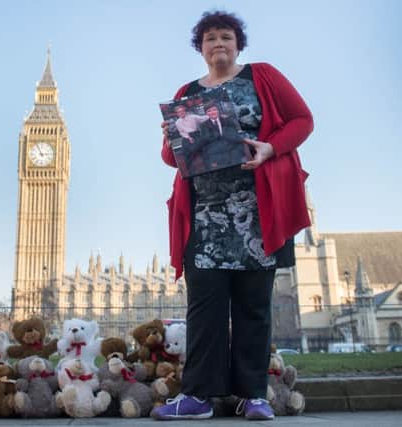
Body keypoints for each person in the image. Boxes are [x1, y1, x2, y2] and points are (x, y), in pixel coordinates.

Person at [154, 10, 313, 421]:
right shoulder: (188, 91)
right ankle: (198, 398)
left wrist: (269, 148)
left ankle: (252, 395)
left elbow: (302, 120)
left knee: (253, 308)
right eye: (210, 39)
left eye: (225, 36)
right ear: (201, 48)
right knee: (204, 309)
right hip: (205, 218)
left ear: (238, 43)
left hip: (257, 214)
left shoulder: (262, 76)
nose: (218, 44)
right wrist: (171, 137)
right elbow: (171, 158)